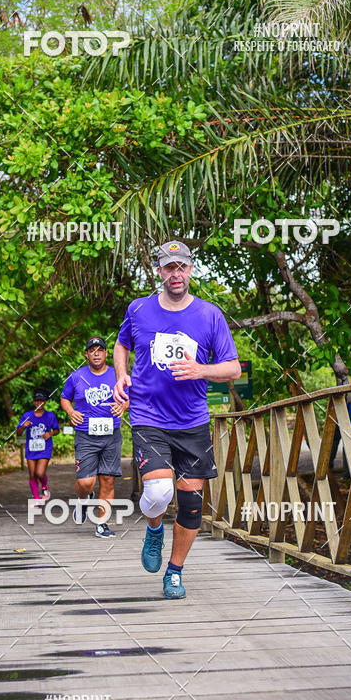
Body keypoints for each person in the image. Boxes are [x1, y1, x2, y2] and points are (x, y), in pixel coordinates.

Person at [113, 239, 241, 599]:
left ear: (190, 269)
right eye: (169, 267)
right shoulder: (139, 309)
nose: (176, 273)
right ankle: (154, 528)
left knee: (191, 505)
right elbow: (121, 345)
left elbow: (232, 368)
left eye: (182, 266)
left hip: (192, 420)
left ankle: (174, 572)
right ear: (159, 271)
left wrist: (202, 369)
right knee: (158, 492)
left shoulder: (209, 315)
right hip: (148, 415)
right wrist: (121, 375)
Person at [60, 337, 128, 538]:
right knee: (86, 483)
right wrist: (71, 411)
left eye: (100, 350)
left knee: (108, 480)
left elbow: (130, 397)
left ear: (106, 353)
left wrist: (124, 405)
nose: (96, 354)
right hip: (86, 435)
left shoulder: (117, 375)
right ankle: (83, 499)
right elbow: (64, 398)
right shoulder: (76, 376)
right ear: (86, 354)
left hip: (111, 435)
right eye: (92, 350)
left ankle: (102, 524)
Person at [16, 388, 60, 504]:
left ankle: (44, 486)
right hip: (31, 449)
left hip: (45, 448)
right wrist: (23, 426)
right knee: (32, 475)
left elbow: (57, 430)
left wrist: (50, 433)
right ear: (33, 402)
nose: (38, 403)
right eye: (36, 401)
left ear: (44, 402)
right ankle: (36, 499)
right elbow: (18, 433)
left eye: (41, 401)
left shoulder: (50, 416)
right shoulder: (27, 415)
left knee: (39, 473)